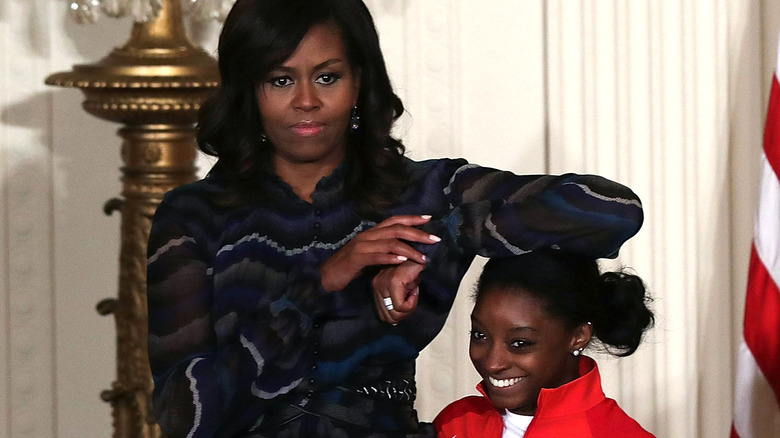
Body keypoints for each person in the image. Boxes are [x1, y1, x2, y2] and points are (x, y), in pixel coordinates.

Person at [145, 0, 645, 437]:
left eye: (327, 76)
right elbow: (183, 417)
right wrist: (322, 282)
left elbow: (610, 209)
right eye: (280, 79)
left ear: (359, 81)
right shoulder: (194, 217)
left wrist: (440, 236)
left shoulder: (420, 193)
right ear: (248, 90)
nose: (305, 101)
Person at [433, 251, 655, 438]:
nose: (492, 363)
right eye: (480, 335)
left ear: (579, 335)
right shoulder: (455, 422)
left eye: (520, 343)